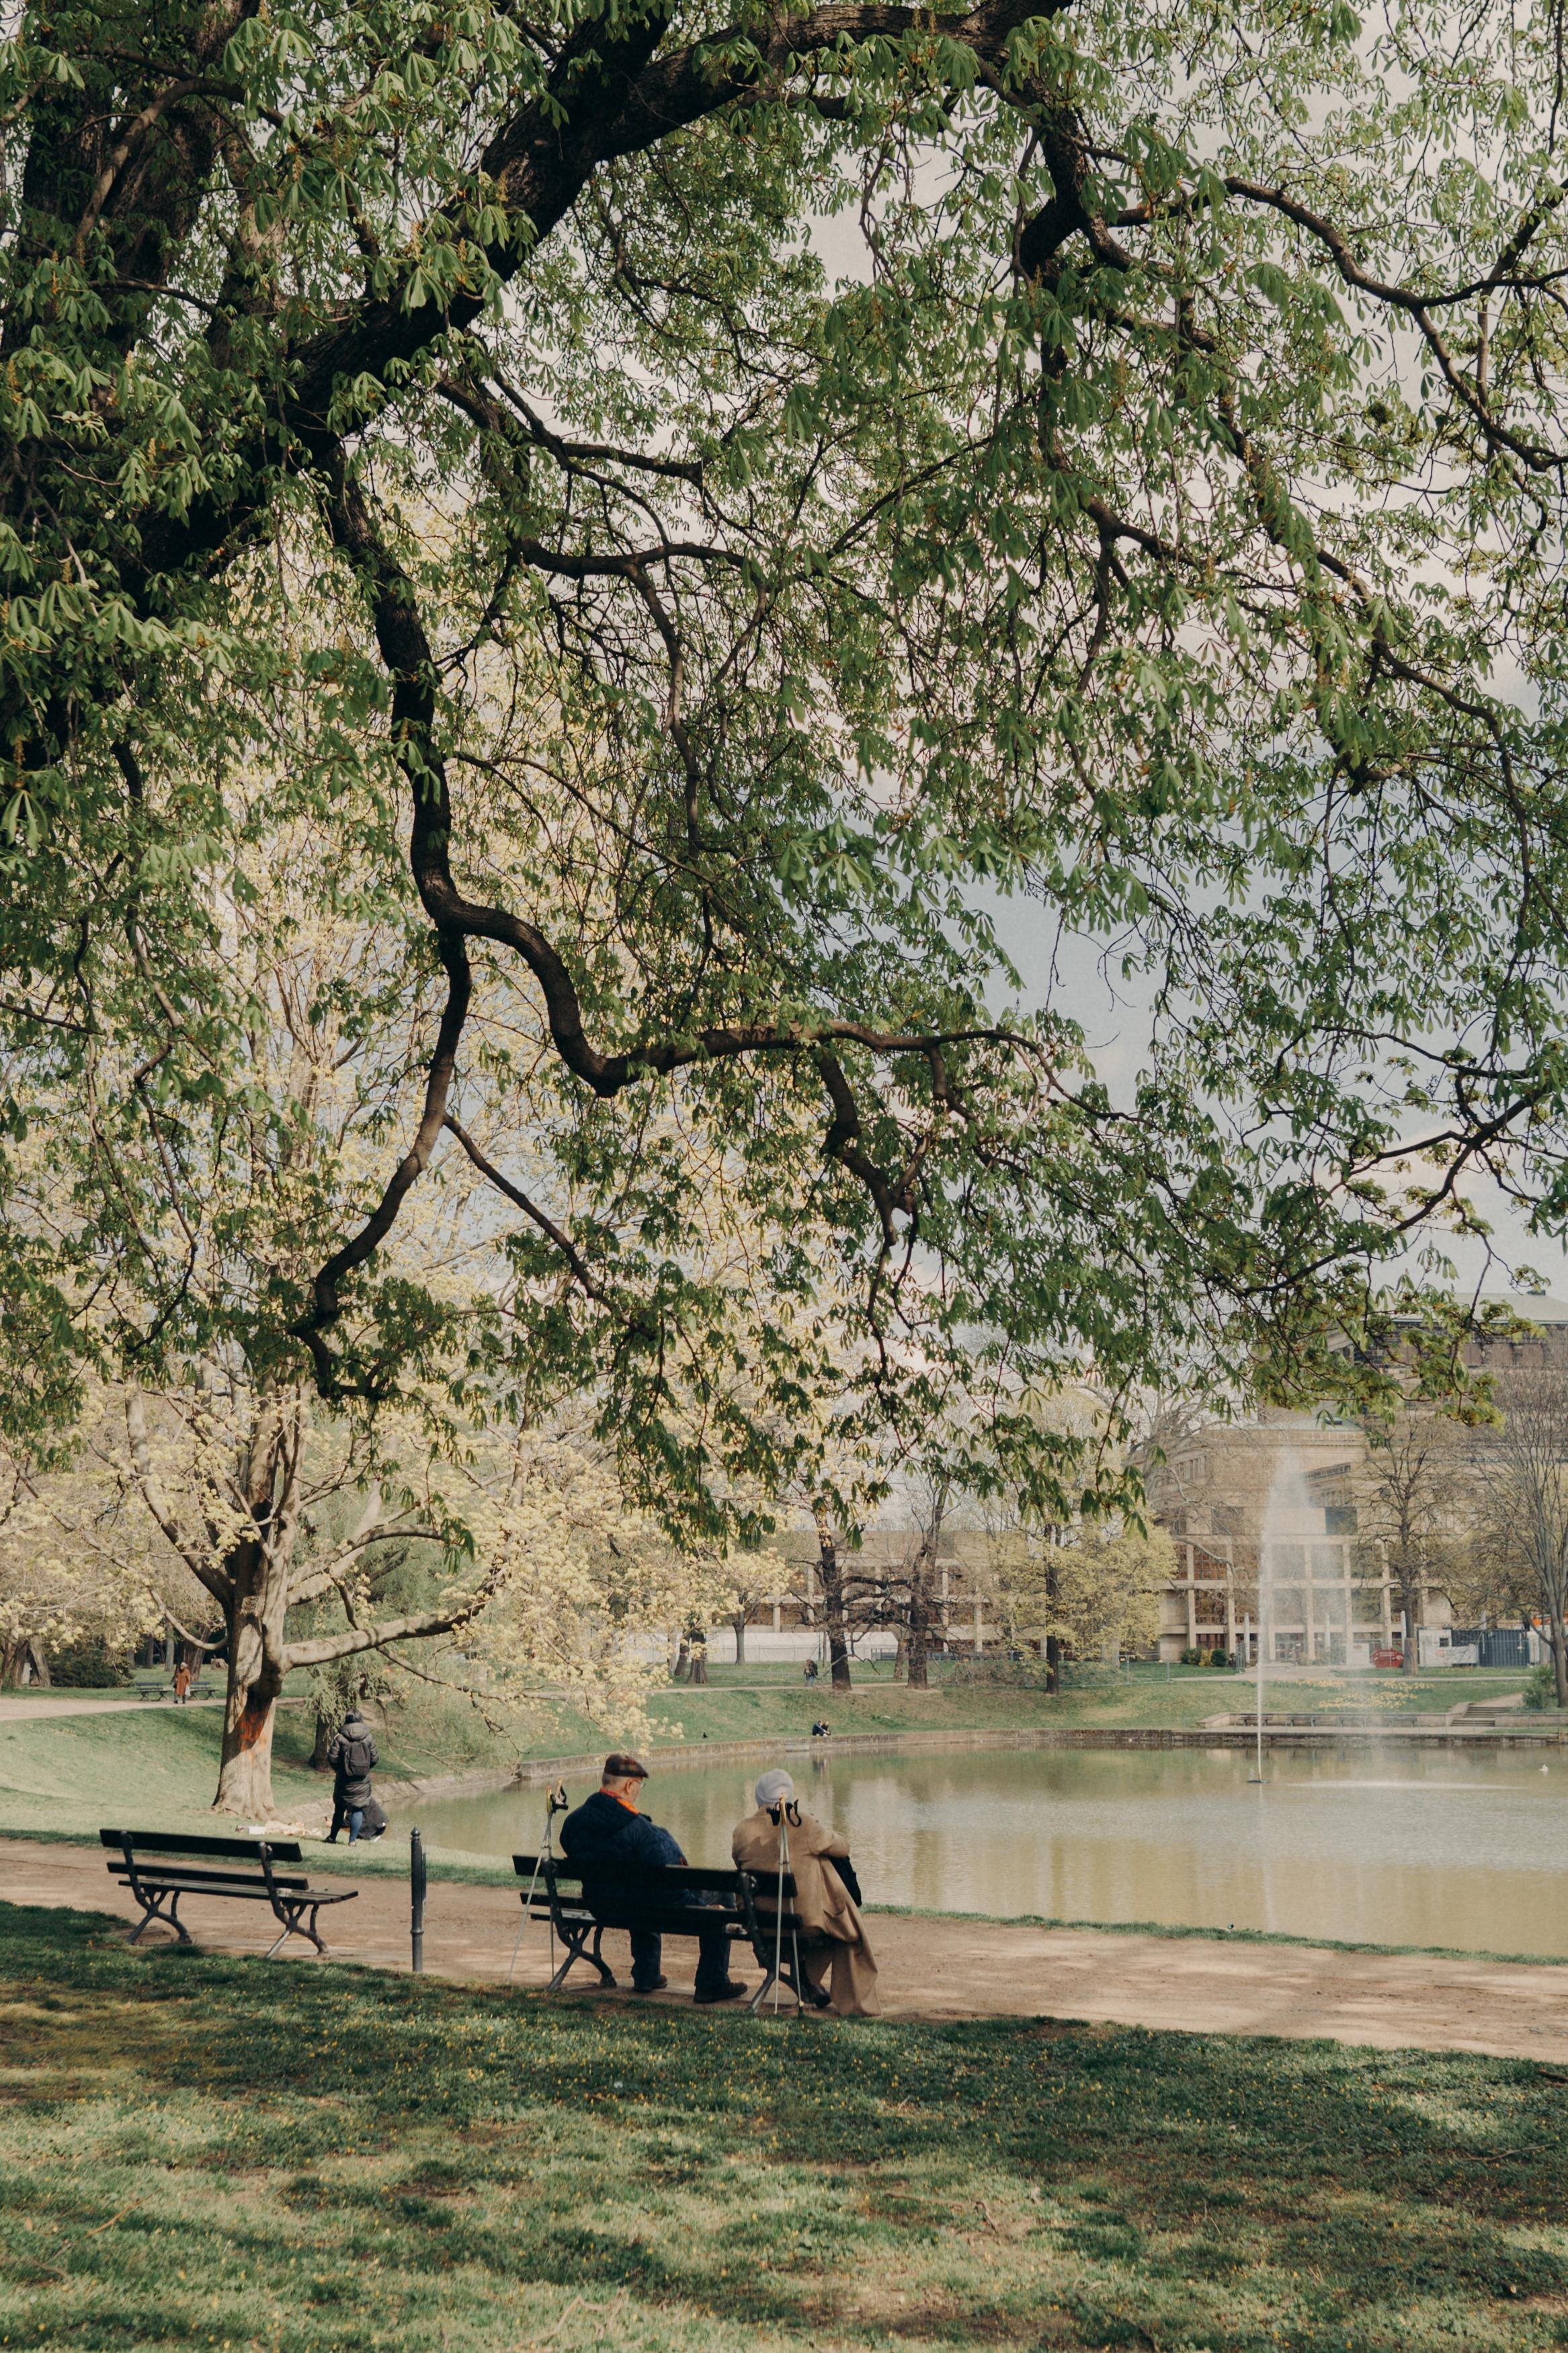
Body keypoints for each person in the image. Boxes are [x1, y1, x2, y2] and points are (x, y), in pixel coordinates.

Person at [561, 1753, 746, 2003]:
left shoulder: (573, 1824)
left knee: (638, 1891)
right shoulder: (642, 1831)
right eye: (639, 1786)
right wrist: (704, 1909)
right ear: (629, 1786)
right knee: (720, 1895)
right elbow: (672, 1887)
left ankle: (647, 1974)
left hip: (602, 1906)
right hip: (647, 1909)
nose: (639, 1792)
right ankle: (712, 1982)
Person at [732, 1767, 880, 2017]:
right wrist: (818, 1827)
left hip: (758, 1923)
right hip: (802, 1924)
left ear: (759, 1798)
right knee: (843, 1925)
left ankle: (807, 1982)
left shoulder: (741, 1831)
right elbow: (843, 1847)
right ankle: (844, 1996)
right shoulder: (804, 1823)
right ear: (789, 1797)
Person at [325, 1708, 378, 1844]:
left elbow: (332, 1758)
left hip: (343, 1780)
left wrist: (340, 1770)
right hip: (362, 1780)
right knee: (357, 1809)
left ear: (347, 1719)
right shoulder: (368, 1737)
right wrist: (364, 1769)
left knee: (339, 1809)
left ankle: (332, 1838)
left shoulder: (340, 1737)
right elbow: (375, 1758)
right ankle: (352, 1841)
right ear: (360, 1719)